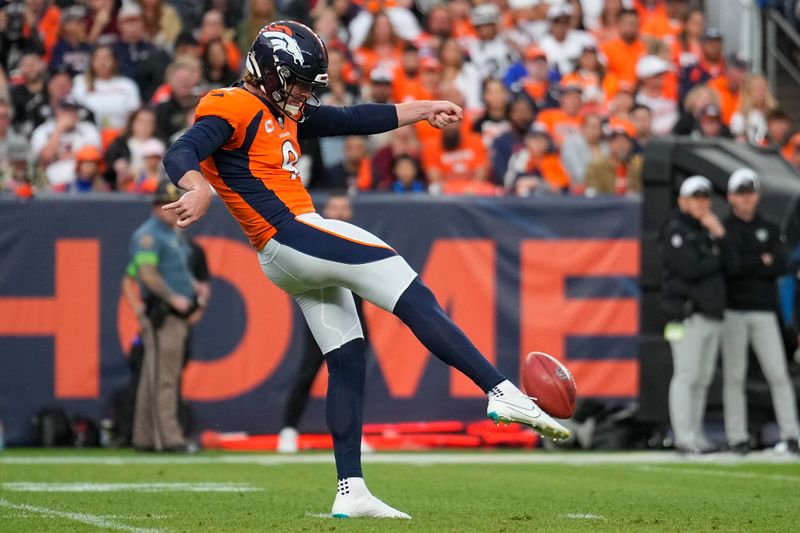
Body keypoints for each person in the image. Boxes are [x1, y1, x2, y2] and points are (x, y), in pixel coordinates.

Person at [162, 21, 568, 519]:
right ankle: (501, 391)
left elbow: (353, 117)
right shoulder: (234, 105)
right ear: (268, 73)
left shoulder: (279, 111)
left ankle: (351, 490)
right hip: (292, 233)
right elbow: (182, 149)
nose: (305, 93)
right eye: (298, 82)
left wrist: (423, 108)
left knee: (347, 358)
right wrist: (194, 185)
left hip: (284, 256)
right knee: (407, 286)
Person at [276, 192, 375, 452]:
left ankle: (355, 435)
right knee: (307, 373)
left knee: (353, 378)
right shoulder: (313, 240)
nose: (340, 213)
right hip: (322, 314)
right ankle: (288, 430)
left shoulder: (359, 241)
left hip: (354, 316)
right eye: (335, 207)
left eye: (344, 208)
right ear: (325, 211)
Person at [720, 169, 800, 455]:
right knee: (735, 377)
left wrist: (752, 262)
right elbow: (732, 267)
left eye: (750, 192)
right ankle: (736, 437)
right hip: (734, 311)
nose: (746, 199)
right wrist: (760, 261)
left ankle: (792, 434)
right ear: (731, 197)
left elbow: (780, 264)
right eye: (741, 193)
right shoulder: (725, 227)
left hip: (764, 311)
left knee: (778, 373)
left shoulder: (768, 225)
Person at [128, 180, 201, 452]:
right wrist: (173, 298)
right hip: (163, 315)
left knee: (154, 376)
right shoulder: (149, 235)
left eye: (176, 204)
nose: (174, 210)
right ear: (157, 206)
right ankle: (169, 438)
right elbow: (145, 273)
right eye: (168, 205)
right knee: (165, 378)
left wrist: (192, 291)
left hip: (173, 315)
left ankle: (144, 438)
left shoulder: (171, 234)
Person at [660, 175, 728, 455]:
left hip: (711, 313)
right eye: (694, 198)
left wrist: (719, 239)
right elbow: (690, 268)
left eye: (704, 198)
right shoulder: (675, 229)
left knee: (702, 380)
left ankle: (696, 434)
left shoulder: (707, 230)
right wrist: (717, 254)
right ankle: (683, 436)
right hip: (686, 314)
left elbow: (731, 262)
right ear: (682, 201)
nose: (701, 203)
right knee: (686, 376)